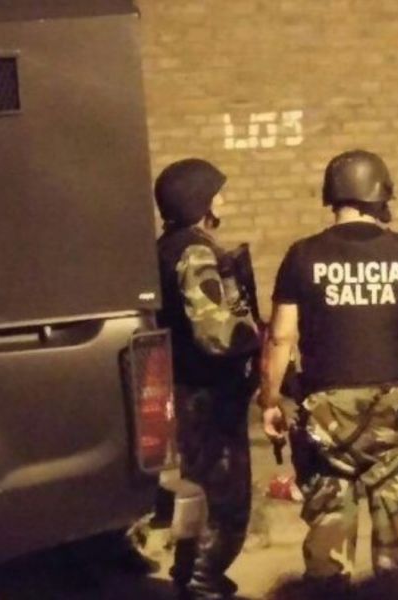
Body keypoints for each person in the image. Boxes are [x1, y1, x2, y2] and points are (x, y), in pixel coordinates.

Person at [259, 149, 398, 587]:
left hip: (324, 412)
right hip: (389, 409)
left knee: (329, 519)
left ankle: (327, 590)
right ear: (379, 196)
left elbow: (280, 338)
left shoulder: (302, 255)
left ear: (333, 197)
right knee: (396, 520)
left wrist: (270, 400)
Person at [154, 157, 261, 599]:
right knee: (224, 502)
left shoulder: (166, 246)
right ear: (199, 199)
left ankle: (192, 576)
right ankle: (203, 582)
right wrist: (257, 338)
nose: (223, 200)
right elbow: (214, 333)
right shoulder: (195, 252)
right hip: (207, 396)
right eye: (217, 193)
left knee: (198, 494)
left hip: (187, 391)